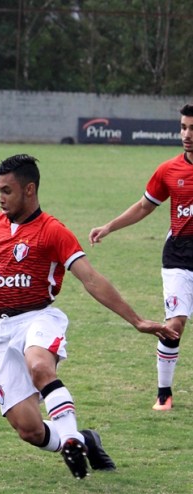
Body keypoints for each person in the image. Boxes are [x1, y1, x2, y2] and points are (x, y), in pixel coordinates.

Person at [0, 154, 177, 479]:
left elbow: (91, 279)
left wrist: (137, 320)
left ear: (29, 190)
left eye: (7, 191)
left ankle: (70, 438)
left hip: (38, 319)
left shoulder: (53, 231)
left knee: (39, 366)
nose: (0, 198)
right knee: (28, 429)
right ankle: (82, 440)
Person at [89, 103, 193, 411]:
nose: (187, 135)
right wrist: (109, 226)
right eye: (183, 127)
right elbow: (145, 206)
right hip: (178, 256)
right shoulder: (169, 170)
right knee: (175, 324)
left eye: (192, 129)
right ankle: (164, 393)